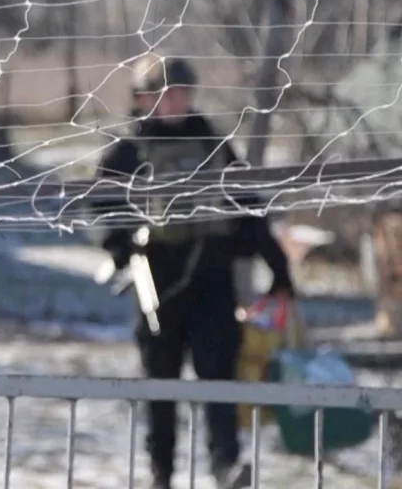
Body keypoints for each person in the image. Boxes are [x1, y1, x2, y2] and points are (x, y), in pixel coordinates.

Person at [90, 53, 296, 489]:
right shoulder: (126, 153)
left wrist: (278, 267)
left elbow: (248, 208)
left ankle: (225, 466)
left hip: (211, 277)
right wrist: (121, 244)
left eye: (180, 93)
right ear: (143, 98)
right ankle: (160, 473)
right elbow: (103, 208)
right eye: (163, 94)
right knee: (160, 385)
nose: (173, 102)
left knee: (218, 376)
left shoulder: (214, 146)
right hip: (156, 280)